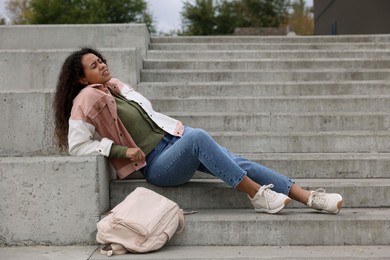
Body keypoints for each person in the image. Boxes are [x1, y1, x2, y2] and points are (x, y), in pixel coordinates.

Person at [53, 48, 343, 214]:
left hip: (173, 141)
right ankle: (257, 196)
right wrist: (120, 151)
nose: (101, 64)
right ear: (81, 77)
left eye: (100, 60)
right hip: (157, 165)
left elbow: (150, 116)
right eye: (94, 65)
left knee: (238, 161)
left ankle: (309, 198)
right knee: (198, 137)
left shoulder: (115, 87)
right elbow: (76, 146)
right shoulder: (85, 100)